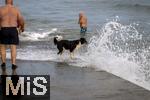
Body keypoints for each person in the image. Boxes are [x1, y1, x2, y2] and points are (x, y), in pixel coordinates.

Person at [0, 0, 25, 69]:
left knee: (2, 47)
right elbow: (21, 20)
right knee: (13, 47)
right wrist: (22, 27)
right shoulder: (16, 9)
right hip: (13, 29)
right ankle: (13, 64)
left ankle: (3, 63)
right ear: (12, 2)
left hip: (3, 29)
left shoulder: (1, 9)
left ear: (5, 2)